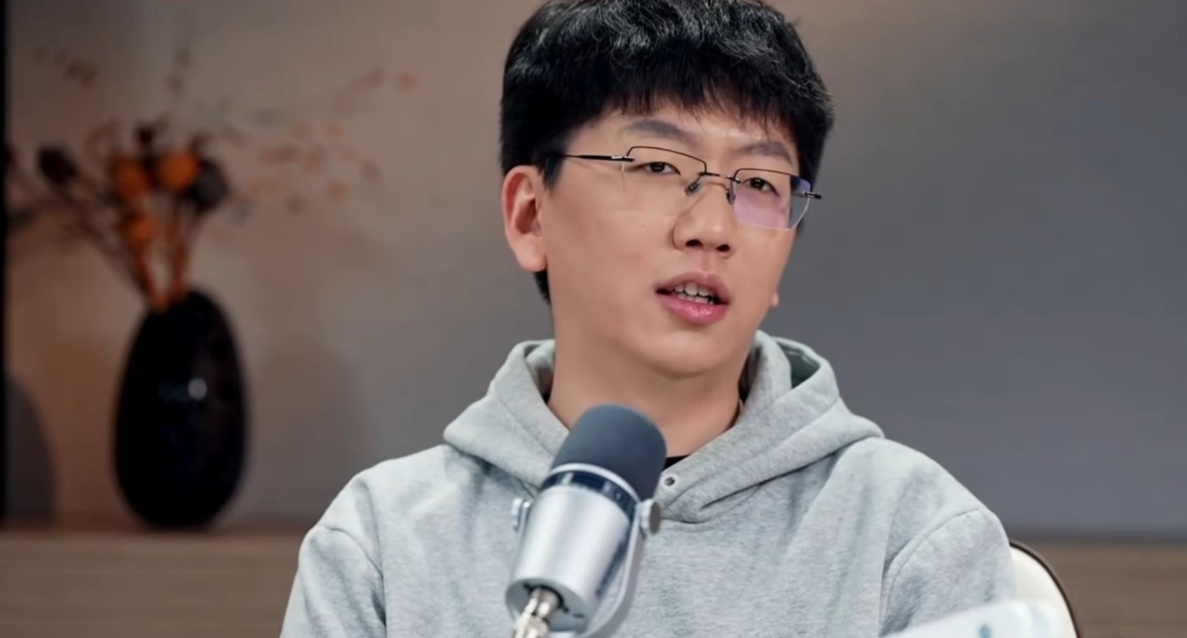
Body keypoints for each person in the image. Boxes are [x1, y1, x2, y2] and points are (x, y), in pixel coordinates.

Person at [280, 1, 1016, 636]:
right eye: (658, 166)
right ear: (531, 215)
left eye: (759, 183)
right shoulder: (384, 541)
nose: (712, 228)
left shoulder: (910, 535)